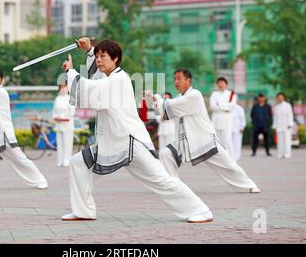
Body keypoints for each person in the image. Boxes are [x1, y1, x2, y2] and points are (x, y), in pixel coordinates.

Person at [61, 37, 213, 223]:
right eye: (98, 57)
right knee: (78, 163)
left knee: (160, 180)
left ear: (115, 58)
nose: (99, 60)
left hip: (129, 142)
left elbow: (90, 88)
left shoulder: (119, 79)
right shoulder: (108, 77)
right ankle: (83, 210)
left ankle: (201, 210)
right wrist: (90, 50)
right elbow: (94, 78)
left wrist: (70, 72)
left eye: (103, 56)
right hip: (111, 143)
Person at [146, 68, 260, 194]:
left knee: (228, 165)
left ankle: (248, 185)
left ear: (188, 80)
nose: (176, 82)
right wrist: (152, 100)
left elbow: (169, 106)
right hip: (184, 141)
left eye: (179, 79)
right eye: (175, 79)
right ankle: (174, 186)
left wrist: (157, 97)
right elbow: (163, 115)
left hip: (203, 140)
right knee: (165, 154)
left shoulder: (195, 95)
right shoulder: (179, 97)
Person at [210, 77, 237, 159]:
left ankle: (231, 159)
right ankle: (221, 158)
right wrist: (225, 107)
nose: (220, 85)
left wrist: (219, 104)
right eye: (219, 83)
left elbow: (232, 106)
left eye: (222, 83)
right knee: (217, 141)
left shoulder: (231, 94)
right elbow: (212, 106)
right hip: (216, 120)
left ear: (226, 84)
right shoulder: (214, 94)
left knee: (227, 140)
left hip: (227, 120)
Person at [53, 83, 76, 167]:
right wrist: (56, 117)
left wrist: (63, 117)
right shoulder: (57, 99)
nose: (63, 89)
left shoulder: (70, 99)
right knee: (60, 143)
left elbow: (72, 112)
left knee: (67, 143)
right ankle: (60, 160)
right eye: (61, 87)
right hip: (59, 124)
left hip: (67, 124)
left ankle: (67, 160)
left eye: (64, 87)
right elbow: (54, 112)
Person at [273, 93, 294, 159]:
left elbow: (290, 115)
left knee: (287, 141)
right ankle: (280, 153)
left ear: (283, 98)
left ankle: (287, 154)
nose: (280, 98)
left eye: (281, 97)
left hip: (286, 126)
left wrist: (290, 124)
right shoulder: (276, 107)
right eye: (278, 97)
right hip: (279, 126)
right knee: (280, 141)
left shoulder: (288, 105)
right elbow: (275, 117)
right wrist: (275, 126)